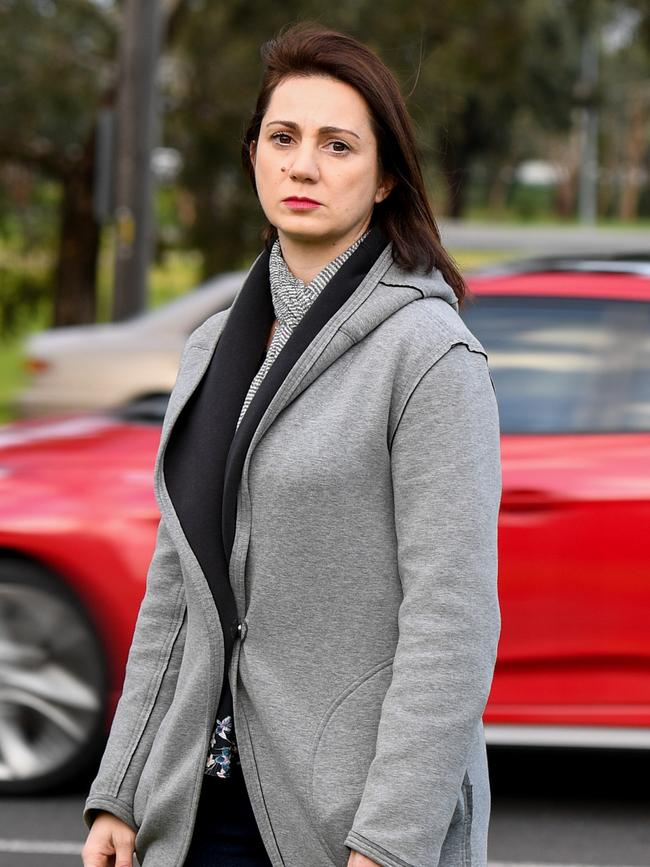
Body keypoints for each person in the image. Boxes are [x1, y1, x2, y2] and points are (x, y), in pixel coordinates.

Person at [81, 22, 501, 867]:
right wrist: (120, 790)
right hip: (193, 808)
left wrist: (388, 841)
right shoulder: (210, 349)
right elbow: (175, 591)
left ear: (385, 178)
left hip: (344, 821)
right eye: (283, 137)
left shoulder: (429, 355)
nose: (303, 165)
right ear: (255, 157)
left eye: (337, 145)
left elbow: (450, 625)